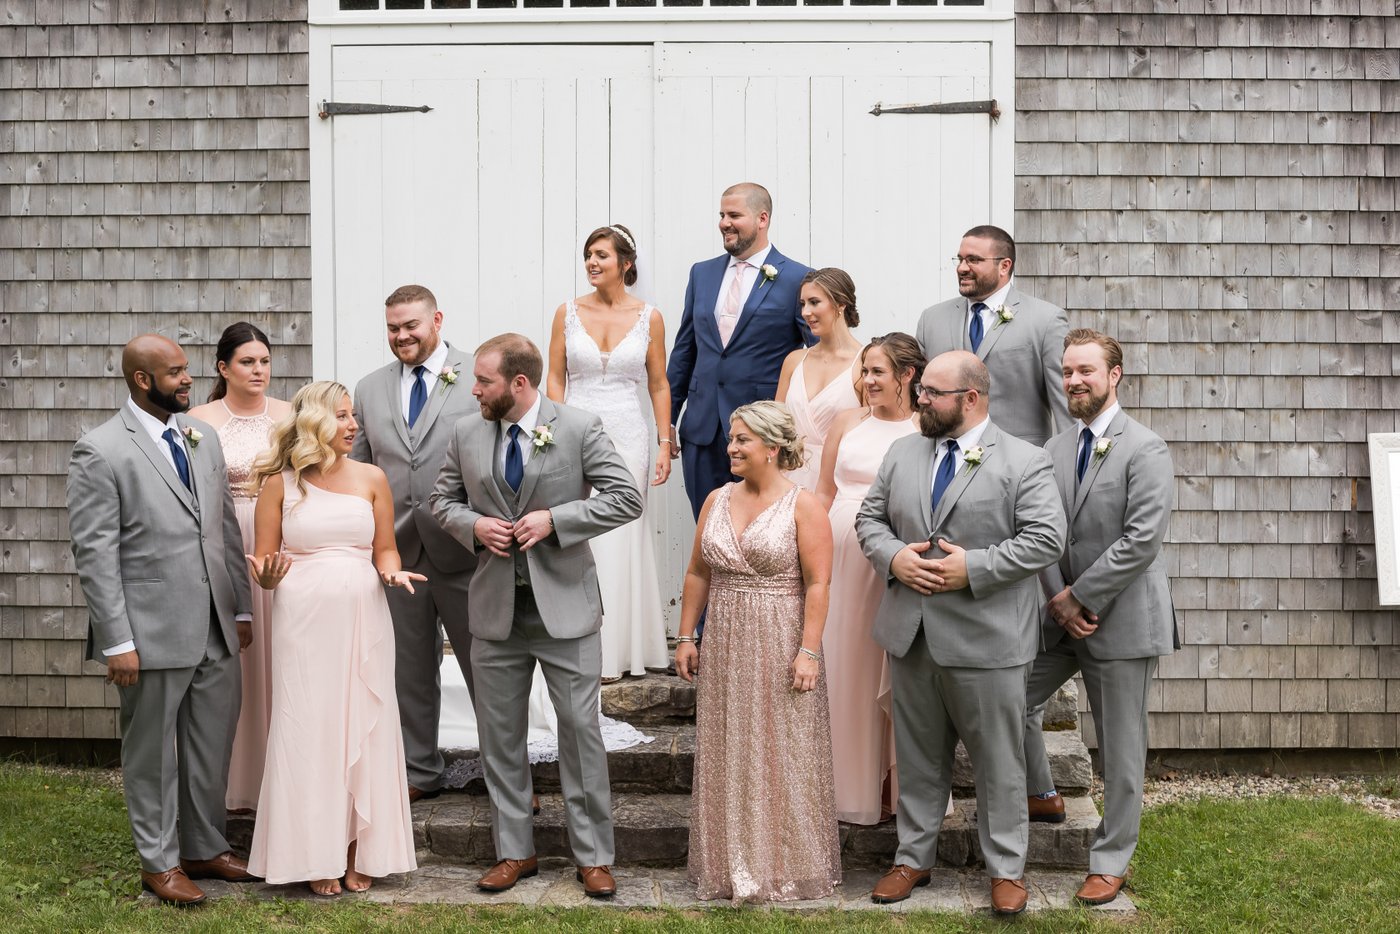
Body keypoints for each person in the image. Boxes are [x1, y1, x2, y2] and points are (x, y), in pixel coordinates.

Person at [430, 334, 643, 899]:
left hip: (566, 612)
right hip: (495, 613)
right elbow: (441, 502)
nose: (471, 389)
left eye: (483, 381)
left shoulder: (577, 427)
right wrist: (473, 526)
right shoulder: (466, 432)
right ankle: (513, 851)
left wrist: (558, 520)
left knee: (579, 734)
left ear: (518, 384)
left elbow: (626, 496)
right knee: (499, 738)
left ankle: (593, 855)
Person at [855, 351, 1066, 915]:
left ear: (969, 398)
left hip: (989, 638)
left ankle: (1006, 869)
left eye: (930, 393)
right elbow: (868, 519)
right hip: (911, 633)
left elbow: (1046, 539)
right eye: (920, 390)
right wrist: (894, 557)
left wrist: (973, 568)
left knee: (999, 761)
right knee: (919, 758)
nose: (918, 399)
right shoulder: (902, 453)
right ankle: (912, 859)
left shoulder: (1025, 460)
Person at [66, 334, 256, 906]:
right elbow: (95, 556)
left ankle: (204, 846)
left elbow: (222, 527)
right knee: (151, 752)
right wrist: (118, 641)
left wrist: (240, 605)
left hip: (215, 626)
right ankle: (159, 860)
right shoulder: (100, 451)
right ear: (142, 380)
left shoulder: (203, 438)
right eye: (175, 373)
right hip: (148, 634)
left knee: (210, 746)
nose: (188, 380)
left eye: (186, 370)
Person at [244, 381, 419, 896]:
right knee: (310, 728)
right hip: (302, 619)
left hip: (364, 614)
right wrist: (268, 580)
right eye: (342, 416)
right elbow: (264, 558)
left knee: (365, 726)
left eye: (353, 416)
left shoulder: (372, 477)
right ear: (315, 423)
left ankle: (359, 849)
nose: (353, 425)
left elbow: (384, 548)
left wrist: (392, 573)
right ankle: (314, 851)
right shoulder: (280, 483)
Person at [1021, 329, 1177, 906]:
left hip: (1122, 618)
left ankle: (1110, 860)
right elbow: (1037, 532)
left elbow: (1141, 540)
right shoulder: (1053, 450)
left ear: (1114, 376)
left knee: (1120, 746)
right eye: (1066, 371)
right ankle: (1041, 792)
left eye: (1086, 370)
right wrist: (1058, 597)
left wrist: (1079, 597)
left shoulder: (1146, 447)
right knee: (1007, 697)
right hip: (1059, 617)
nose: (1073, 381)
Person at [675, 400, 841, 903]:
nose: (731, 447)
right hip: (725, 639)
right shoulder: (716, 500)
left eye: (742, 439)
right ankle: (728, 865)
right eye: (731, 438)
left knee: (783, 750)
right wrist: (686, 636)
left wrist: (808, 650)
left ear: (772, 448)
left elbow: (818, 583)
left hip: (780, 637)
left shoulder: (804, 505)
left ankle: (786, 867)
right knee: (729, 748)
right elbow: (698, 572)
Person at [350, 284, 477, 802]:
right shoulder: (369, 388)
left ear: (437, 321)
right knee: (409, 670)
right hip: (397, 553)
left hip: (465, 551)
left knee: (485, 669)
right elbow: (358, 468)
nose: (401, 336)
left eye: (411, 326)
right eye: (392, 328)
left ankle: (506, 775)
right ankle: (418, 770)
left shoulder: (476, 375)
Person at [546, 223, 671, 682]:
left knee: (621, 532)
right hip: (573, 430)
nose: (592, 263)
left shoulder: (650, 317)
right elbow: (555, 379)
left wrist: (663, 442)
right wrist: (553, 430)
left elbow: (658, 383)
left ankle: (619, 650)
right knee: (579, 529)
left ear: (626, 262)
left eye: (601, 255)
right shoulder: (566, 312)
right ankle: (573, 643)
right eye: (588, 256)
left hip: (628, 435)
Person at [814, 334, 924, 825]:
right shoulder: (845, 422)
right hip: (838, 560)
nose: (867, 381)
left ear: (907, 375)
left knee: (891, 670)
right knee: (845, 670)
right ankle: (849, 787)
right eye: (864, 371)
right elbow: (822, 493)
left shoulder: (925, 430)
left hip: (892, 564)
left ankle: (896, 786)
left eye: (878, 371)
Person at [187, 321, 291, 813]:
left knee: (282, 658)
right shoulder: (198, 419)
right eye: (248, 362)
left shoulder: (290, 416)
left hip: (280, 542)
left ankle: (281, 776)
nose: (259, 370)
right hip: (222, 545)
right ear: (223, 368)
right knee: (233, 662)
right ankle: (232, 782)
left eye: (265, 361)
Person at [667, 182, 813, 519]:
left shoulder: (797, 277)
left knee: (760, 530)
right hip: (702, 432)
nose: (724, 223)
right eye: (721, 215)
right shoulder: (701, 273)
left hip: (763, 434)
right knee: (708, 530)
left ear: (762, 219)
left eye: (734, 215)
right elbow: (685, 351)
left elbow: (814, 356)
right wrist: (668, 424)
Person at [914, 224, 1070, 447]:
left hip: (1020, 461)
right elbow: (919, 397)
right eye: (959, 259)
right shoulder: (932, 320)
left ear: (1004, 266)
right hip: (947, 457)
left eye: (973, 260)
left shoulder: (1045, 320)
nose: (961, 268)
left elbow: (1065, 402)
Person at [775, 267, 862, 492]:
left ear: (841, 304)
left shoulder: (865, 364)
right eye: (803, 304)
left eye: (814, 302)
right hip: (788, 479)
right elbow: (774, 429)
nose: (805, 312)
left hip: (839, 483)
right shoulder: (794, 361)